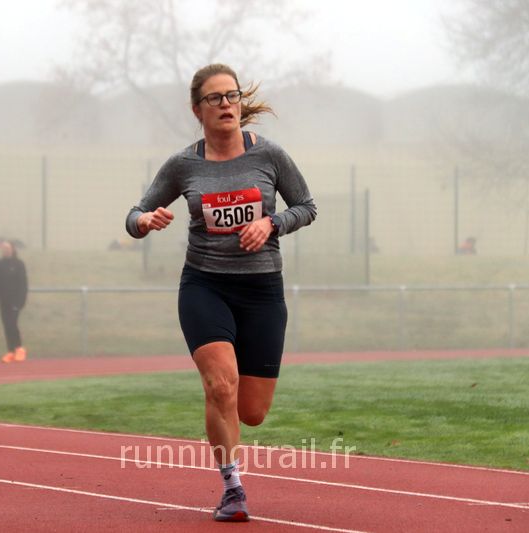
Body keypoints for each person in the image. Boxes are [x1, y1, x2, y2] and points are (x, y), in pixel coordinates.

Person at [125, 64, 316, 522]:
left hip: (262, 290)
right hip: (205, 285)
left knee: (252, 411)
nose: (227, 104)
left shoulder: (269, 155)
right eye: (215, 98)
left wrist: (272, 223)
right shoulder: (183, 165)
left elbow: (307, 207)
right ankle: (233, 489)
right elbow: (134, 215)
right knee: (220, 384)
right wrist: (145, 221)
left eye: (232, 95)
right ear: (198, 109)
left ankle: (225, 413)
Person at [0, 240, 28, 363]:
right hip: (4, 300)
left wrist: (21, 301)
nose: (6, 250)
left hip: (15, 301)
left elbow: (23, 284)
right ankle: (10, 351)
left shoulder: (19, 264)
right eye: (4, 248)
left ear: (12, 249)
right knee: (6, 326)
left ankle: (19, 349)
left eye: (8, 248)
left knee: (12, 324)